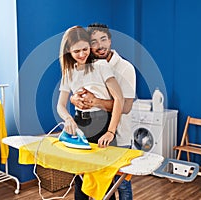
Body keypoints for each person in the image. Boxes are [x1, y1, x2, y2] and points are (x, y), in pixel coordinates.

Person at [70, 23, 136, 200]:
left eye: (103, 39)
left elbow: (126, 106)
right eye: (94, 41)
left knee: (121, 184)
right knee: (86, 180)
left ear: (110, 40)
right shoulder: (88, 67)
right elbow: (77, 93)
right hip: (92, 132)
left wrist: (96, 102)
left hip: (119, 135)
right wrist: (74, 99)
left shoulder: (125, 68)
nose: (100, 46)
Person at [57, 25, 124, 200]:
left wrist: (111, 131)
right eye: (76, 51)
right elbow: (61, 105)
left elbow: (119, 99)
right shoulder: (68, 73)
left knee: (105, 184)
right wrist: (68, 119)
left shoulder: (101, 66)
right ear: (68, 51)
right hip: (80, 124)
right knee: (80, 183)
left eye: (85, 49)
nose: (82, 54)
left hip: (102, 124)